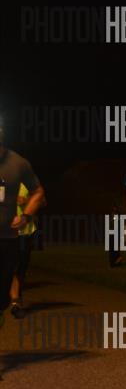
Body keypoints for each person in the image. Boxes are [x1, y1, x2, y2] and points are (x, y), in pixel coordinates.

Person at [0, 123, 45, 328]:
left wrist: (25, 216)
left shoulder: (18, 163)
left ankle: (9, 303)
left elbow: (39, 193)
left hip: (7, 237)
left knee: (4, 293)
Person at [9, 183, 39, 318]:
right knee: (12, 266)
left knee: (22, 267)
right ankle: (15, 302)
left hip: (25, 232)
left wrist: (26, 200)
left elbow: (42, 201)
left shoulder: (28, 181)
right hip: (6, 232)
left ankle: (16, 297)